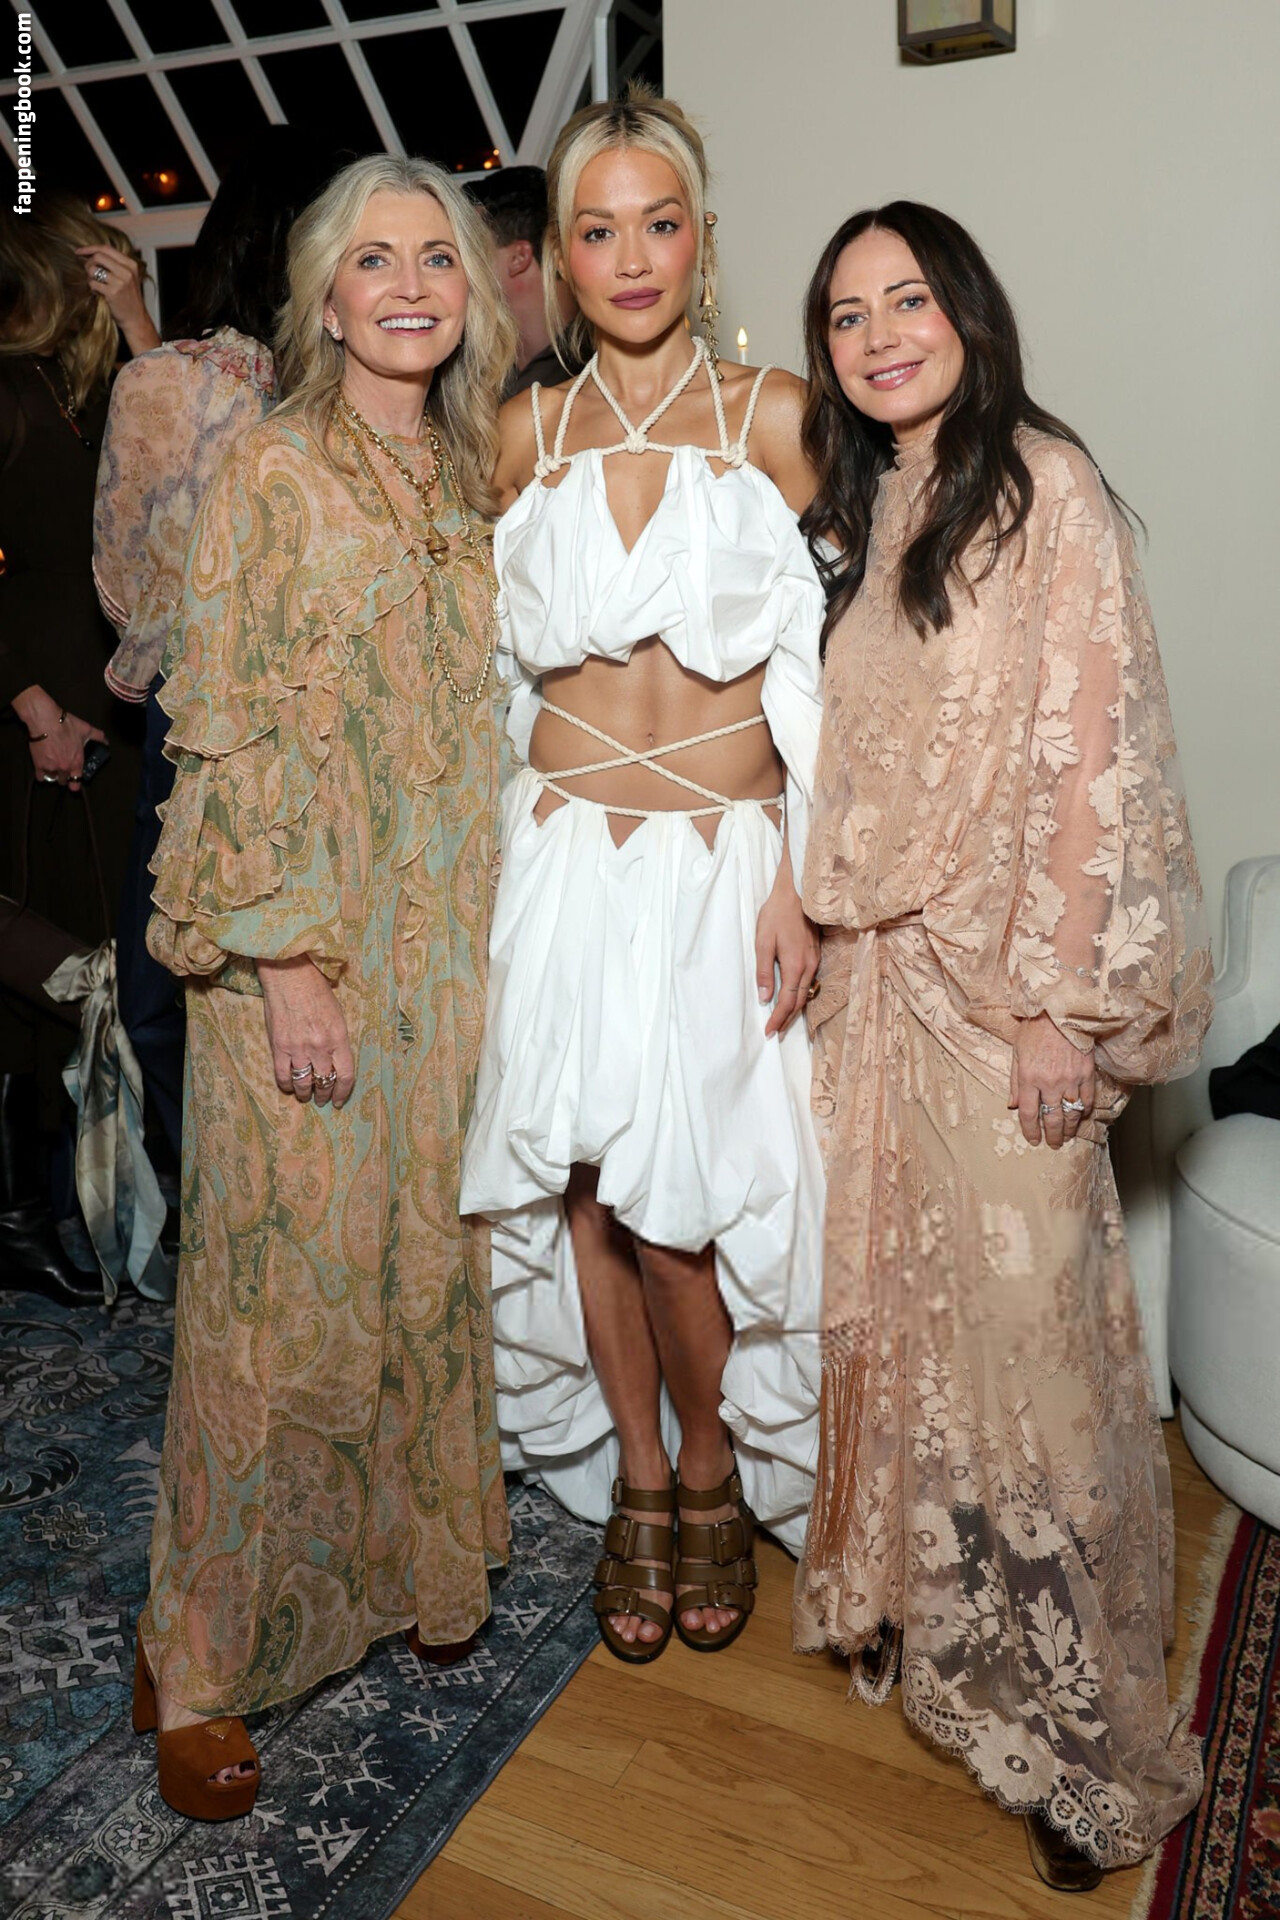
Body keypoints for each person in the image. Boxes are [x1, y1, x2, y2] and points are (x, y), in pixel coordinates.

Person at [793, 202, 1213, 1889]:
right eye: (846, 315)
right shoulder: (878, 500)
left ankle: (1091, 1739)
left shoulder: (1048, 489)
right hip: (882, 995)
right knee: (915, 1336)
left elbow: (1095, 760)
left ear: (968, 310)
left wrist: (1059, 1007)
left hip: (1005, 1005)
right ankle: (955, 1638)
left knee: (1039, 1365)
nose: (880, 334)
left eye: (908, 299)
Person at [133, 153, 517, 1820]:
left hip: (443, 950)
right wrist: (287, 960)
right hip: (301, 946)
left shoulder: (471, 473)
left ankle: (395, 1574)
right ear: (326, 299)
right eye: (376, 261)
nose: (410, 286)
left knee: (414, 1277)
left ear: (471, 294)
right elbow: (222, 727)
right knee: (271, 1308)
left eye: (437, 258)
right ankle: (195, 1660)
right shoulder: (271, 470)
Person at [461, 87, 824, 1666]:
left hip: (725, 873)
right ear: (561, 254)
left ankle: (718, 1461)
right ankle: (639, 1473)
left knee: (687, 1204)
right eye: (596, 230)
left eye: (657, 225)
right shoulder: (520, 437)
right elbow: (470, 670)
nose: (629, 258)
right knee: (591, 1191)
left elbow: (850, 665)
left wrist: (803, 874)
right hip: (565, 864)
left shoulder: (776, 419)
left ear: (701, 241)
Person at [94, 131, 343, 1160]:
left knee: (170, 991)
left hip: (197, 719)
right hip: (338, 717)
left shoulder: (169, 384)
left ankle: (213, 1197)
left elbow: (130, 586)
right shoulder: (363, 389)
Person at [0, 194, 158, 1301]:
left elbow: (191, 452)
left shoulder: (110, 383)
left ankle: (112, 1201)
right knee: (44, 965)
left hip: (129, 685)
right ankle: (23, 1218)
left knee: (121, 950)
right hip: (38, 691)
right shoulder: (8, 390)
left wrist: (141, 319)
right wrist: (35, 710)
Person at [464, 165, 581, 394]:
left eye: (472, 247)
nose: (460, 263)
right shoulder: (486, 375)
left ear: (518, 258)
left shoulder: (595, 372)